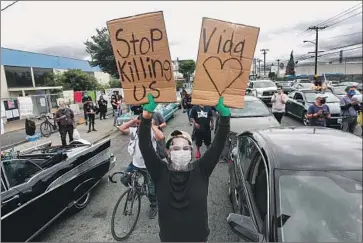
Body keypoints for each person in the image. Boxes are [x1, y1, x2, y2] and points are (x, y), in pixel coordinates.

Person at [139, 94, 230, 242]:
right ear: (168, 152)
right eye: (176, 148)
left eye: (186, 148)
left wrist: (225, 118)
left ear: (191, 152)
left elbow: (218, 144)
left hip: (198, 238)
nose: (181, 151)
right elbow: (144, 145)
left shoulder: (201, 170)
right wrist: (146, 117)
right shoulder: (159, 172)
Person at [119, 114, 165, 219]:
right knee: (123, 179)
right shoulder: (134, 131)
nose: (140, 126)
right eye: (139, 124)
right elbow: (121, 128)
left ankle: (154, 205)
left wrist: (152, 125)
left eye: (143, 124)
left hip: (148, 166)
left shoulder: (151, 132)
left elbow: (161, 136)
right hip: (135, 164)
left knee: (152, 190)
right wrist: (133, 121)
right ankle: (138, 189)